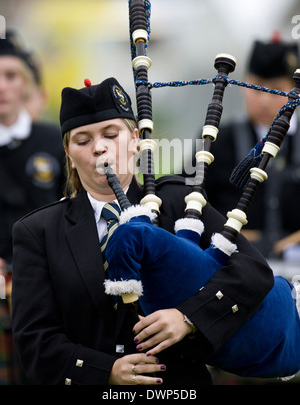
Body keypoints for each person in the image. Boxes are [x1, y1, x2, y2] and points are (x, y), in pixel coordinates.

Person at [11, 77, 273, 385]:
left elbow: (253, 271)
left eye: (111, 134)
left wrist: (188, 318)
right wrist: (105, 372)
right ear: (68, 152)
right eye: (82, 141)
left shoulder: (179, 203)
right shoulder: (38, 231)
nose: (99, 148)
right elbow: (34, 340)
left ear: (136, 139)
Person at [190, 35, 300, 258]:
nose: (265, 101)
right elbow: (189, 198)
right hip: (232, 259)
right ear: (244, 86)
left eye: (276, 89)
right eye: (257, 88)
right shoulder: (215, 140)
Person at [0, 31, 66, 384]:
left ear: (26, 85)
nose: (2, 86)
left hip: (47, 282)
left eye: (10, 76)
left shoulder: (54, 141)